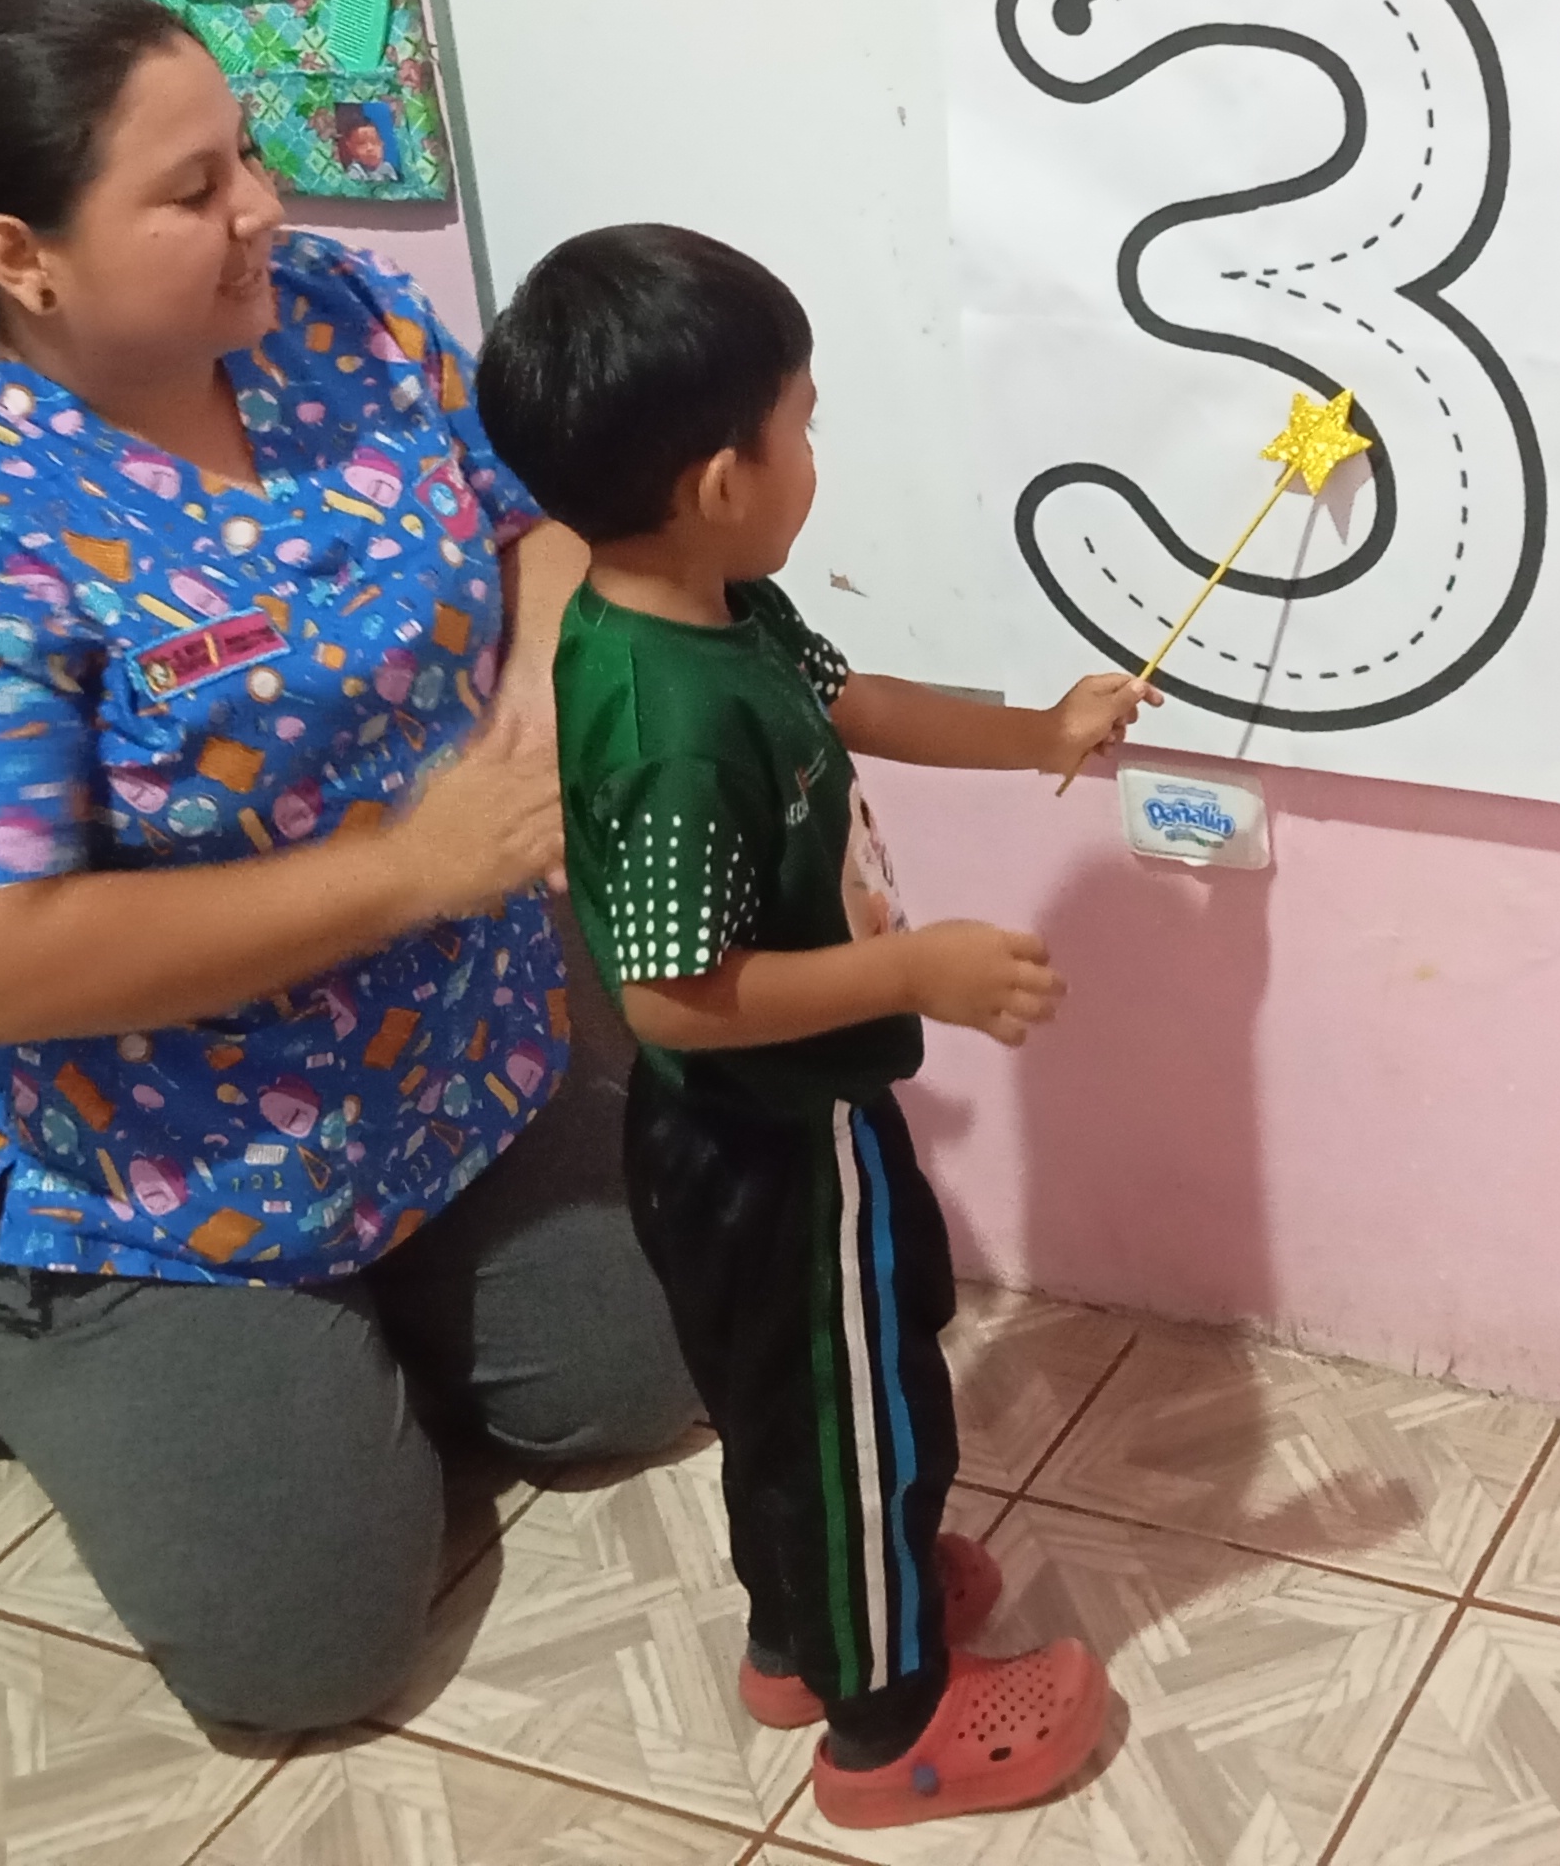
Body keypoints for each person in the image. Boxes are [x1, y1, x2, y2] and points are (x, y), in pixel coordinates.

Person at [0, 0, 694, 1735]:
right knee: (312, 1662)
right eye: (193, 191)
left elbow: (538, 523)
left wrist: (535, 713)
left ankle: (347, 1328)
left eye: (248, 154)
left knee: (644, 1388)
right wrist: (414, 868)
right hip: (134, 1171)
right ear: (22, 258)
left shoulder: (338, 314)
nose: (263, 205)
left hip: (446, 1061)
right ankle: (6, 1333)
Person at [476, 224, 1145, 1828]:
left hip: (791, 1119)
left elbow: (853, 700)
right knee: (853, 1422)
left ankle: (810, 1631)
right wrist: (916, 975)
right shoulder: (671, 719)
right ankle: (891, 1725)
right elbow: (670, 995)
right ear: (724, 479)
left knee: (821, 1398)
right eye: (806, 424)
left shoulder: (711, 609)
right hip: (766, 1139)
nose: (816, 455)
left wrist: (1037, 732)